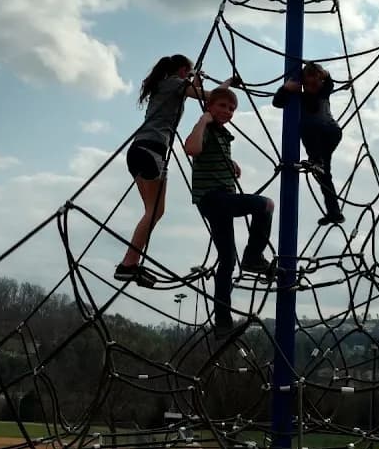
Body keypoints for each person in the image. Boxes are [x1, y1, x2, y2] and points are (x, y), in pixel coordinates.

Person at [184, 86, 275, 335]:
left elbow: (209, 154)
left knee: (227, 260)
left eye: (232, 108)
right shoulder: (206, 128)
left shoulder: (223, 136)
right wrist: (203, 120)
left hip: (221, 200)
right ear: (209, 107)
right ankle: (253, 256)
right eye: (222, 106)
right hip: (213, 198)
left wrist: (230, 162)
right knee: (265, 204)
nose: (227, 111)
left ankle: (222, 322)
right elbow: (191, 149)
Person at [114, 54, 204, 286]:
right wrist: (221, 86)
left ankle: (130, 263)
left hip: (138, 150)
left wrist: (195, 80)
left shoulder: (163, 86)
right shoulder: (175, 83)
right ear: (184, 70)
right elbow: (204, 96)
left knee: (151, 211)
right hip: (152, 150)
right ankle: (128, 263)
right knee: (155, 211)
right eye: (190, 71)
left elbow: (193, 92)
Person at [273, 61, 344, 225]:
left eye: (317, 82)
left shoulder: (324, 92)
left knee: (307, 126)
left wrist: (325, 75)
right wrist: (285, 88)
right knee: (324, 175)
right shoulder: (299, 97)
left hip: (330, 133)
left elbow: (329, 84)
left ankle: (317, 161)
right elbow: (277, 103)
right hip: (317, 136)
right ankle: (334, 212)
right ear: (303, 83)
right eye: (309, 83)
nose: (314, 86)